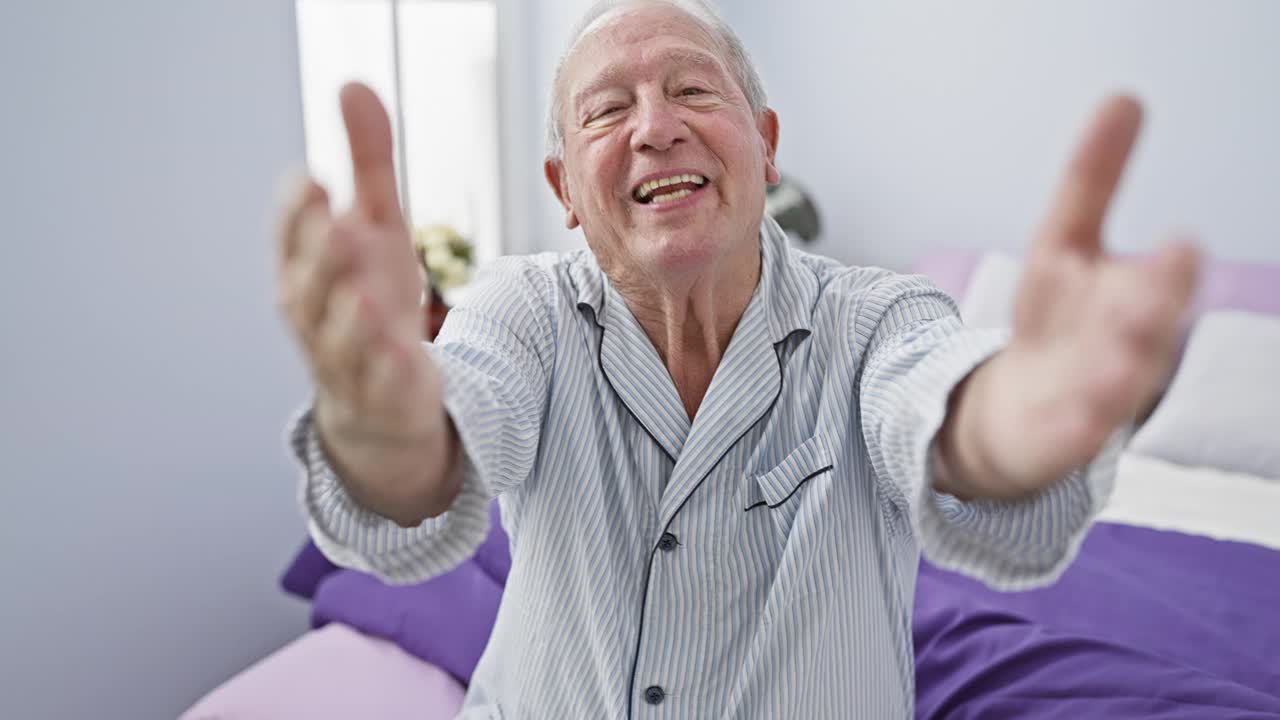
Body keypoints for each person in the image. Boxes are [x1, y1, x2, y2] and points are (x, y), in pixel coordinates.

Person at [274, 0, 1200, 716]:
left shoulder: (878, 316)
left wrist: (1005, 424)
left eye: (692, 89)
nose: (654, 126)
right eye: (606, 111)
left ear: (764, 147)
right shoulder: (523, 311)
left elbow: (940, 407)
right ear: (563, 190)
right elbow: (450, 432)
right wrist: (386, 432)